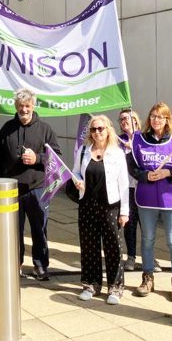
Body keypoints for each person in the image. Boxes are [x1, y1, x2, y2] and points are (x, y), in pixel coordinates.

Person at [0, 88, 61, 281]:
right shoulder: (7, 128)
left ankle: (40, 265)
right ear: (15, 107)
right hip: (11, 189)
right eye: (21, 106)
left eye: (27, 106)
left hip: (38, 188)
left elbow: (56, 157)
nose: (24, 109)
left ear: (33, 106)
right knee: (13, 231)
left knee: (39, 229)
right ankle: (15, 264)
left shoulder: (45, 129)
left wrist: (38, 158)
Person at [127, 102, 172, 302]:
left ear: (167, 119)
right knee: (147, 239)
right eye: (153, 116)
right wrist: (145, 176)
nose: (156, 120)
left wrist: (168, 172)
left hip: (169, 200)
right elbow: (132, 167)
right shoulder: (138, 139)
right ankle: (148, 278)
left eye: (160, 117)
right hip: (146, 198)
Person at [72, 115, 129, 305]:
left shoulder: (117, 153)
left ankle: (115, 286)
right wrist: (78, 180)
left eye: (101, 129)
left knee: (113, 247)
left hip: (110, 205)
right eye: (94, 129)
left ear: (108, 130)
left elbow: (124, 184)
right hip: (87, 204)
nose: (97, 132)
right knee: (89, 246)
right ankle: (91, 284)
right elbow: (76, 172)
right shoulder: (83, 151)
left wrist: (124, 212)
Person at [118, 109, 155, 272]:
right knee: (130, 225)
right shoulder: (118, 141)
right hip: (127, 189)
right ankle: (131, 257)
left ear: (135, 120)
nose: (124, 121)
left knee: (147, 225)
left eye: (127, 118)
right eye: (121, 119)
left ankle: (150, 258)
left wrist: (133, 148)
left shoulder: (144, 139)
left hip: (144, 187)